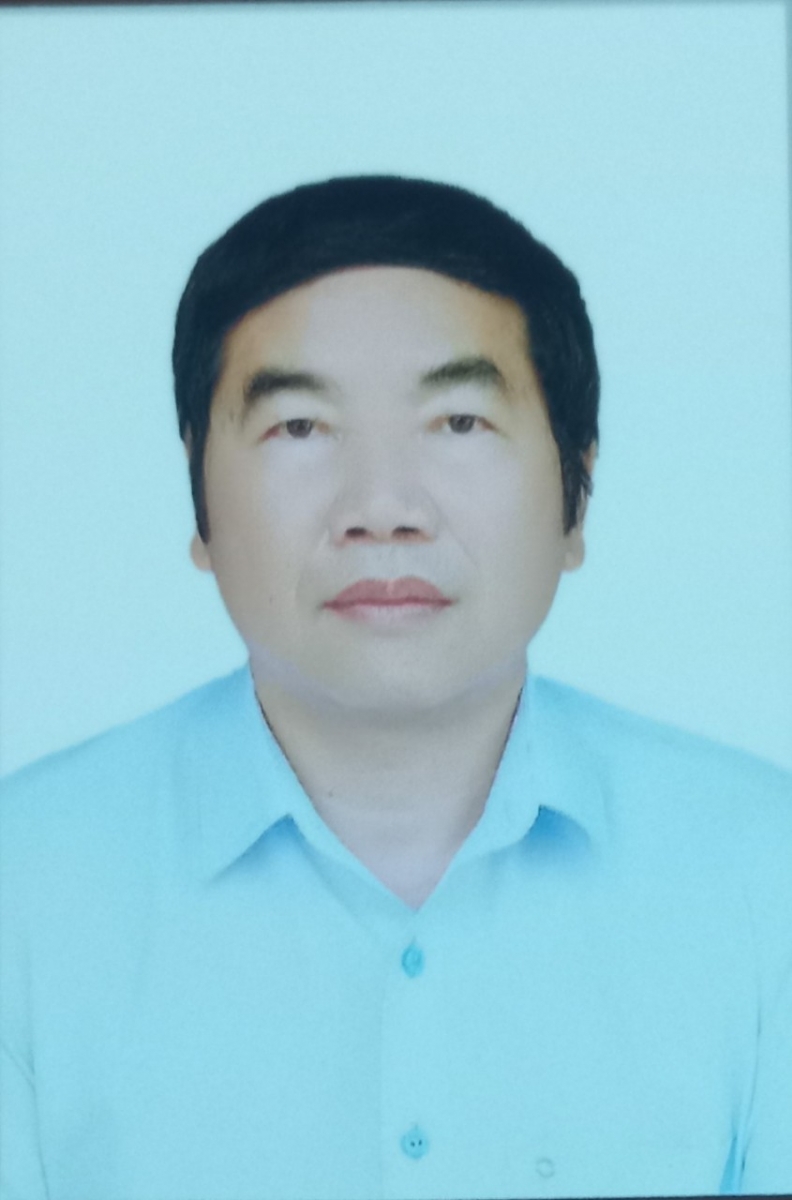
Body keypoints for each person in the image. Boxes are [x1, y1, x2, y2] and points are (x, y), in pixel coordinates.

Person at [1, 174, 790, 1200]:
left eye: (458, 422)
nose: (381, 508)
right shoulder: (25, 886)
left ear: (578, 492)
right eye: (299, 428)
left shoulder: (764, 870)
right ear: (199, 498)